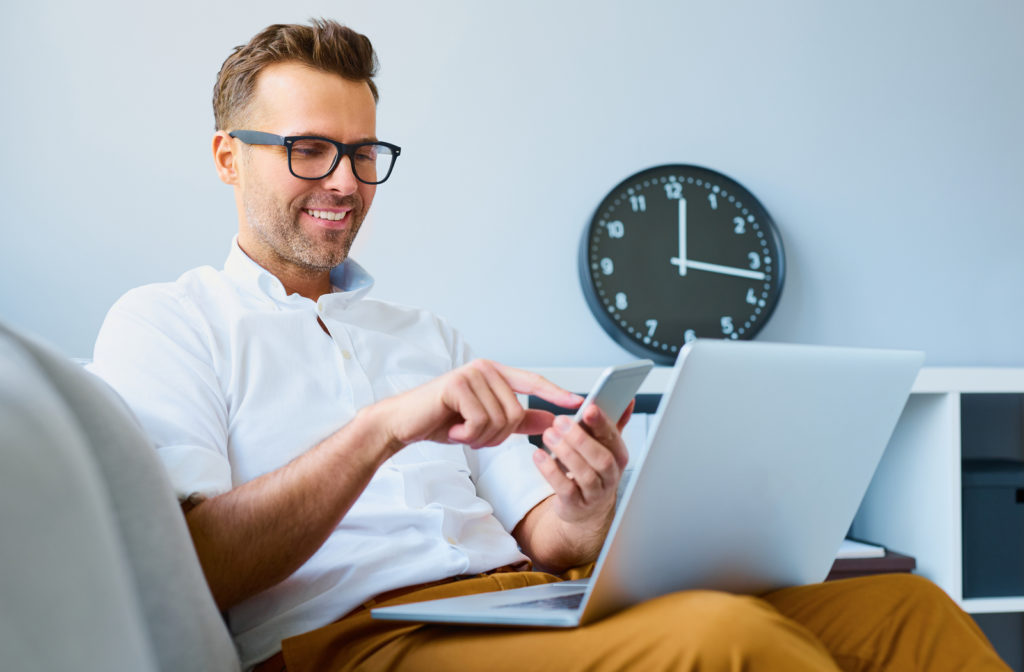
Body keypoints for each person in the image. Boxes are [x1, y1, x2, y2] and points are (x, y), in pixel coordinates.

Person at [90, 18, 1009, 672]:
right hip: (358, 641)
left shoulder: (427, 335)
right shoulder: (167, 322)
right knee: (721, 641)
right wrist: (383, 428)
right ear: (226, 157)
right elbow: (198, 568)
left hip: (514, 604)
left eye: (365, 153)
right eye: (309, 150)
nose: (345, 181)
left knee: (901, 608)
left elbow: (555, 542)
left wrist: (590, 498)